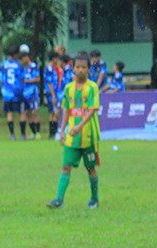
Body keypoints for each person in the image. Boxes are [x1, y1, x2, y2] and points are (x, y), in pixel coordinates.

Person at [48, 53, 101, 210]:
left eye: (84, 67)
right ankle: (59, 200)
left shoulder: (92, 87)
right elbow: (67, 110)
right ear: (73, 69)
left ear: (89, 69)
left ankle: (94, 199)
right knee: (66, 166)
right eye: (78, 67)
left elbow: (92, 110)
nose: (80, 70)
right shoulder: (68, 88)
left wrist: (80, 126)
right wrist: (62, 130)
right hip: (72, 137)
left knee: (90, 168)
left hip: (89, 136)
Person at [0, 46, 24, 140]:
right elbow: (22, 78)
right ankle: (22, 134)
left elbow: (0, 79)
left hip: (7, 93)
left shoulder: (3, 65)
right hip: (17, 92)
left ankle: (12, 135)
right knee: (21, 112)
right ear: (16, 54)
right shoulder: (18, 65)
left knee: (9, 113)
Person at [20, 51, 42, 139]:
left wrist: (27, 81)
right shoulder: (24, 68)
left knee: (35, 112)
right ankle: (33, 132)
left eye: (22, 59)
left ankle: (38, 132)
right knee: (28, 113)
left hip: (33, 93)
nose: (22, 61)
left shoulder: (33, 66)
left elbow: (38, 79)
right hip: (25, 94)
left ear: (26, 57)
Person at [44, 51, 63, 139]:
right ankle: (52, 133)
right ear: (54, 58)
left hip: (53, 93)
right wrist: (53, 96)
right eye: (57, 58)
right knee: (54, 113)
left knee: (53, 113)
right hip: (51, 94)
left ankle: (52, 133)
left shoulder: (53, 69)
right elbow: (50, 83)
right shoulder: (49, 69)